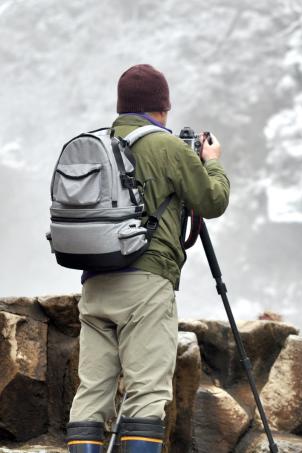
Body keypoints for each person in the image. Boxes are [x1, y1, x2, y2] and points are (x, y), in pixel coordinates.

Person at [65, 64, 230, 453]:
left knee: (91, 394)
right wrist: (213, 162)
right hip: (145, 282)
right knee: (146, 395)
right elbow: (212, 201)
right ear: (162, 108)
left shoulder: (99, 143)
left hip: (95, 281)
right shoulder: (168, 147)